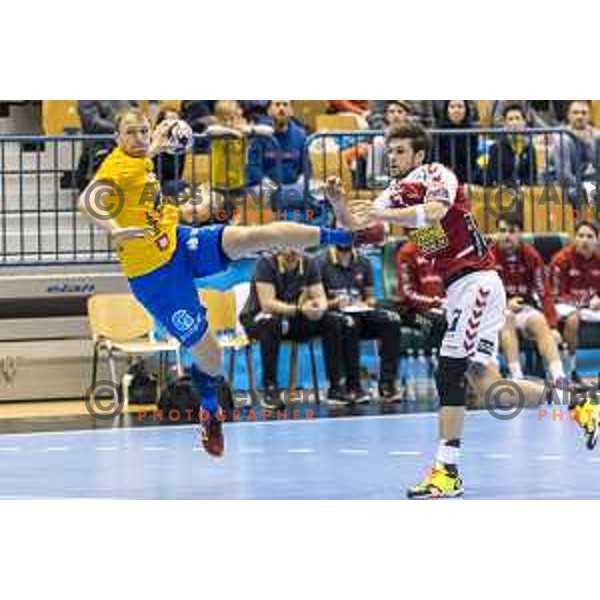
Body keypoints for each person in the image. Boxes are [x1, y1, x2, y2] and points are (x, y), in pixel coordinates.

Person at [325, 123, 599, 499]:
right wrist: (339, 203)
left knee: (448, 370)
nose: (392, 157)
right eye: (389, 151)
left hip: (478, 283)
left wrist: (380, 212)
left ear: (418, 156)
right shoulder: (393, 195)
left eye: (400, 151)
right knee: (492, 390)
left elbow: (435, 211)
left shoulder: (437, 174)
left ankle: (446, 471)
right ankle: (579, 401)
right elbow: (358, 228)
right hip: (459, 292)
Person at [77, 108, 355, 458]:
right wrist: (115, 229)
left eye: (143, 131)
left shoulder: (142, 159)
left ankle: (343, 235)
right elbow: (87, 200)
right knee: (211, 356)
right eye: (130, 132)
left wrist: (157, 145)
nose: (138, 138)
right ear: (117, 137)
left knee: (251, 236)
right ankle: (210, 410)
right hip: (155, 277)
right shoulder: (116, 166)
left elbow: (143, 158)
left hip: (177, 241)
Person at [240, 248, 361, 407]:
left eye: (298, 245)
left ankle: (336, 388)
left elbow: (320, 298)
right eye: (289, 244)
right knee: (271, 323)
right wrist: (300, 309)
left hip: (294, 318)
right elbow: (267, 304)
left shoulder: (309, 263)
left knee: (332, 321)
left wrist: (318, 309)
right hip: (259, 318)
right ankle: (270, 389)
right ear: (279, 246)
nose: (293, 249)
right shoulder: (265, 263)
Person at [319, 244, 403, 401]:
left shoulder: (364, 262)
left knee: (392, 320)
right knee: (349, 323)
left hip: (359, 312)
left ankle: (387, 384)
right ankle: (353, 386)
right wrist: (335, 303)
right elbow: (316, 300)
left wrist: (367, 303)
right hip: (334, 316)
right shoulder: (320, 262)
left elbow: (370, 295)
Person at [492, 215, 564, 383]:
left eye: (512, 232)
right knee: (507, 318)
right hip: (496, 311)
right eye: (502, 231)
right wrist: (505, 304)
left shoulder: (531, 256)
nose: (506, 236)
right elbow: (482, 292)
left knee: (540, 321)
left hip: (524, 308)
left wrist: (553, 326)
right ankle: (517, 377)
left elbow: (544, 291)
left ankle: (559, 376)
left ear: (520, 234)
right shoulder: (489, 256)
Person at [549, 221, 600, 383]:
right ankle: (570, 370)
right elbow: (555, 294)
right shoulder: (561, 260)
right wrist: (580, 303)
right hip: (565, 305)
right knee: (572, 319)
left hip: (590, 306)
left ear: (597, 241)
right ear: (574, 239)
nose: (585, 240)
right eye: (581, 236)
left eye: (590, 237)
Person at [246, 100, 308, 215]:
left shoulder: (301, 135)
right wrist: (272, 187)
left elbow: (306, 168)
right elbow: (253, 167)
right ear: (269, 111)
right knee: (258, 196)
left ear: (291, 111)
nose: (281, 109)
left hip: (292, 188)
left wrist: (299, 184)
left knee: (312, 192)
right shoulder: (260, 134)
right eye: (277, 104)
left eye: (285, 105)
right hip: (264, 188)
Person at [396, 240, 447, 350]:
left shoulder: (442, 249)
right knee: (438, 322)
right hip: (412, 313)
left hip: (440, 307)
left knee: (458, 316)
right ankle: (438, 363)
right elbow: (407, 293)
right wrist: (436, 302)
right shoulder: (407, 252)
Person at [551, 100, 600, 205]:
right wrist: (587, 186)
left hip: (593, 182)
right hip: (570, 186)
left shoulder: (597, 136)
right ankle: (586, 220)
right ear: (568, 115)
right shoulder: (561, 138)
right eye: (575, 112)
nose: (580, 116)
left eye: (583, 113)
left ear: (590, 116)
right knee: (589, 194)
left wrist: (587, 144)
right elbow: (564, 176)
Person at [487, 103, 537, 185]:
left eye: (517, 118)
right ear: (504, 123)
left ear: (524, 122)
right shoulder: (496, 148)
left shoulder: (530, 148)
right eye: (510, 119)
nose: (514, 122)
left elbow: (532, 178)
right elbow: (494, 177)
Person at [432, 100, 480, 185]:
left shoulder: (472, 131)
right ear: (447, 110)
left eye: (460, 107)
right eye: (452, 107)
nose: (456, 110)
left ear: (466, 110)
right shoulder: (438, 131)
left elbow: (472, 160)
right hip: (443, 178)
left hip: (467, 177)